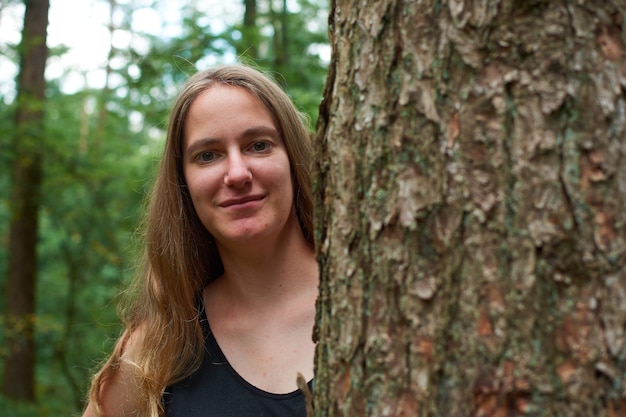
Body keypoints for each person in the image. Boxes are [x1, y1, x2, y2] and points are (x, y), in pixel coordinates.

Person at [82, 64, 319, 417]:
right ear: (184, 185)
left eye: (258, 145)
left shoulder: (373, 298)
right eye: (207, 155)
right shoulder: (164, 341)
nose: (237, 174)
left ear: (293, 158)